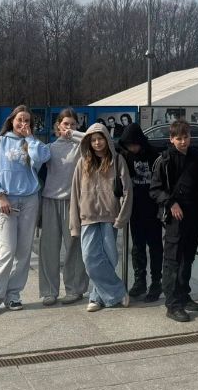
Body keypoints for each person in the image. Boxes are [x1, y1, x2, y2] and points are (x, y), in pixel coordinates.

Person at [0, 105, 51, 315]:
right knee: (7, 249)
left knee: (23, 250)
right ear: (12, 120)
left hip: (30, 199)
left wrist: (30, 138)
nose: (23, 124)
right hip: (7, 200)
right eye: (20, 119)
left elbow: (43, 158)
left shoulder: (33, 143)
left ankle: (13, 294)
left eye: (27, 120)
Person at [150, 120, 198, 322]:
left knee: (188, 258)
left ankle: (184, 295)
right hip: (174, 217)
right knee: (172, 260)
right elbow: (155, 189)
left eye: (186, 137)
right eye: (178, 138)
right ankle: (173, 304)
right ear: (171, 139)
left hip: (194, 214)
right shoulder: (164, 160)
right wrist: (170, 203)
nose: (183, 141)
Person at [69, 123, 132, 312]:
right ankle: (119, 291)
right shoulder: (82, 162)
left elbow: (127, 190)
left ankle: (96, 298)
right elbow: (75, 193)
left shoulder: (117, 160)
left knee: (109, 259)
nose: (97, 143)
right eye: (93, 140)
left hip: (110, 216)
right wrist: (74, 223)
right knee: (89, 259)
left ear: (107, 139)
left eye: (100, 139)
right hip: (87, 217)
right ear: (89, 142)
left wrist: (122, 217)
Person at [38, 108, 88, 307]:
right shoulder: (49, 148)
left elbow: (94, 140)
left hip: (73, 202)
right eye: (65, 124)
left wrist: (74, 134)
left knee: (74, 247)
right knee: (49, 248)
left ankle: (74, 289)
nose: (69, 127)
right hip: (50, 200)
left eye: (73, 124)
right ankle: (49, 291)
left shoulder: (81, 147)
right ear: (58, 125)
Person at [118, 123, 163, 301]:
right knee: (137, 247)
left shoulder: (153, 154)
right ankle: (140, 281)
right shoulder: (125, 155)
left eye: (135, 144)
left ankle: (156, 282)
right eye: (129, 145)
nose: (133, 148)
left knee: (155, 246)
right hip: (135, 208)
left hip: (153, 208)